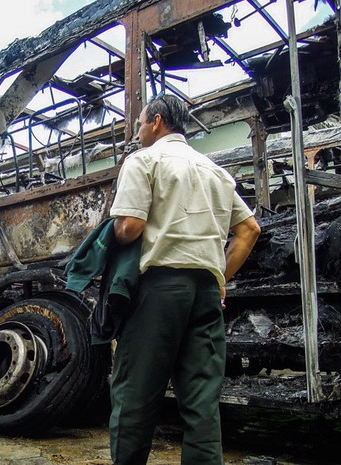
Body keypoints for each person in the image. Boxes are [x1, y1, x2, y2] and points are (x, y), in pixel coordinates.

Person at [108, 94, 261, 465]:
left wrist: (110, 235)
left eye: (141, 124)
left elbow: (129, 226)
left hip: (159, 291)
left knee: (135, 399)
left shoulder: (144, 160)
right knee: (201, 404)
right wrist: (219, 278)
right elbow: (249, 230)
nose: (139, 132)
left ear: (157, 122)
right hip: (207, 294)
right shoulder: (215, 172)